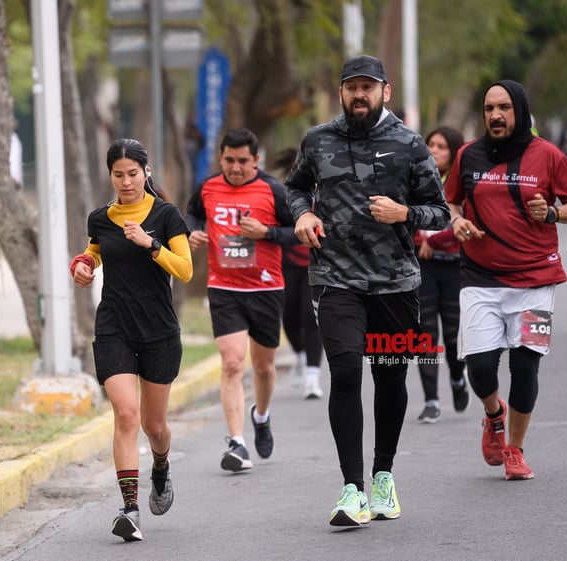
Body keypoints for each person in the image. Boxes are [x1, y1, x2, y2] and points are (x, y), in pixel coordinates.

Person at [285, 55, 450, 526]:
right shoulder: (317, 140)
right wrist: (302, 214)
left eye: (368, 87)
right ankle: (352, 488)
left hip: (396, 282)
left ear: (385, 92)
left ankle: (383, 475)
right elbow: (294, 188)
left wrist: (405, 215)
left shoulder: (409, 144)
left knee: (391, 378)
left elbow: (439, 211)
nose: (360, 94)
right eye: (352, 86)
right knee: (345, 374)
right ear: (341, 92)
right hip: (335, 280)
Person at [444, 80, 567, 482]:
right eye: (489, 108)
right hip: (481, 279)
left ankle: (515, 449)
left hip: (535, 279)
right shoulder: (467, 156)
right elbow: (451, 198)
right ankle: (494, 414)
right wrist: (457, 220)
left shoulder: (547, 155)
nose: (495, 115)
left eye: (504, 107)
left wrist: (553, 214)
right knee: (479, 369)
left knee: (525, 368)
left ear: (520, 111)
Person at [70, 138, 193, 542]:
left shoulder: (166, 214)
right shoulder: (101, 218)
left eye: (132, 174)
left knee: (154, 424)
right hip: (114, 327)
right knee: (125, 415)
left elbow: (186, 271)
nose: (125, 181)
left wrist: (150, 244)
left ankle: (161, 464)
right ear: (110, 175)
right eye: (118, 174)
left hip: (158, 331)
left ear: (147, 172)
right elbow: (94, 252)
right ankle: (130, 508)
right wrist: (83, 266)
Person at [185, 128, 297, 473]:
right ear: (221, 158)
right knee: (233, 363)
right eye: (229, 160)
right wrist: (193, 231)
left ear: (256, 160)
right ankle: (237, 443)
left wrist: (267, 233)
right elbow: (192, 213)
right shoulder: (208, 188)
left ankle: (260, 416)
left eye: (242, 161)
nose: (235, 167)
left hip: (265, 288)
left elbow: (301, 232)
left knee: (264, 367)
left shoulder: (274, 191)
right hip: (224, 288)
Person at [414, 126, 470, 423]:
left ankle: (458, 378)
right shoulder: (417, 178)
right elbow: (406, 214)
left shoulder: (461, 183)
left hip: (453, 266)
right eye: (431, 144)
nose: (434, 150)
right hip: (422, 267)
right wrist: (418, 239)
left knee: (452, 336)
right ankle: (431, 400)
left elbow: (462, 223)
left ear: (454, 152)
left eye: (442, 146)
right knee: (425, 335)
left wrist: (431, 240)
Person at [271, 148, 324, 399]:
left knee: (310, 317)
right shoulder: (283, 193)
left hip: (318, 264)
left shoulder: (329, 190)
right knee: (289, 317)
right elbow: (277, 227)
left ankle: (313, 376)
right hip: (288, 263)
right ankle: (302, 359)